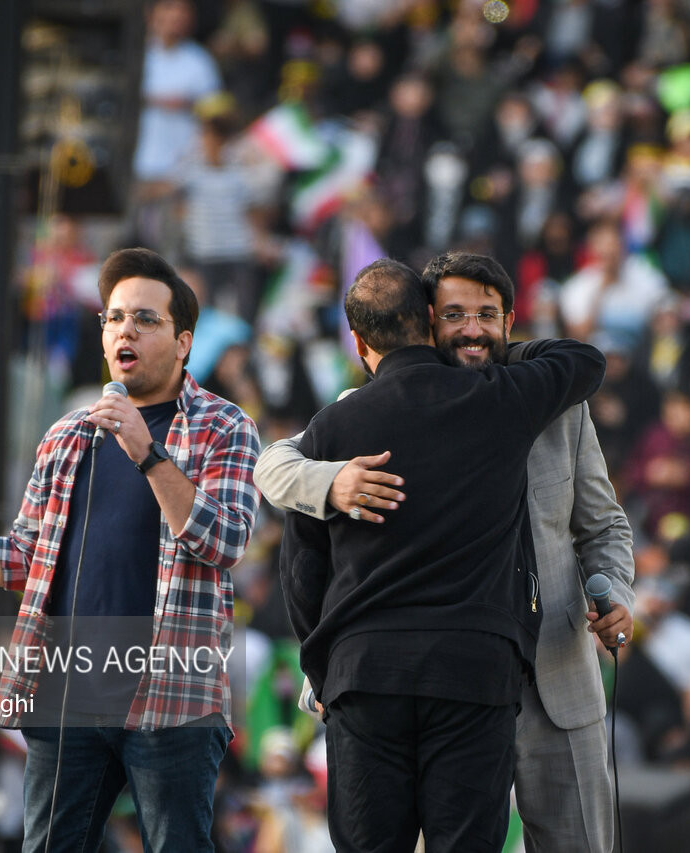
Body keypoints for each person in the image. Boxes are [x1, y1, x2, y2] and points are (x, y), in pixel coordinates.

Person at [0, 247, 261, 852]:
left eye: (145, 319)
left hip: (171, 695)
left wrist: (147, 453)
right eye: (114, 318)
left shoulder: (224, 427)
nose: (125, 330)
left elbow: (226, 540)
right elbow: (20, 561)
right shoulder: (69, 436)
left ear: (183, 342)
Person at [256, 251, 634, 852]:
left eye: (488, 314)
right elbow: (275, 464)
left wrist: (616, 590)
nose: (472, 329)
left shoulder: (559, 408)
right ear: (427, 321)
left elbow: (604, 525)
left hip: (553, 678)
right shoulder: (361, 411)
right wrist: (332, 481)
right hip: (452, 674)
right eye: (455, 314)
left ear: (510, 321)